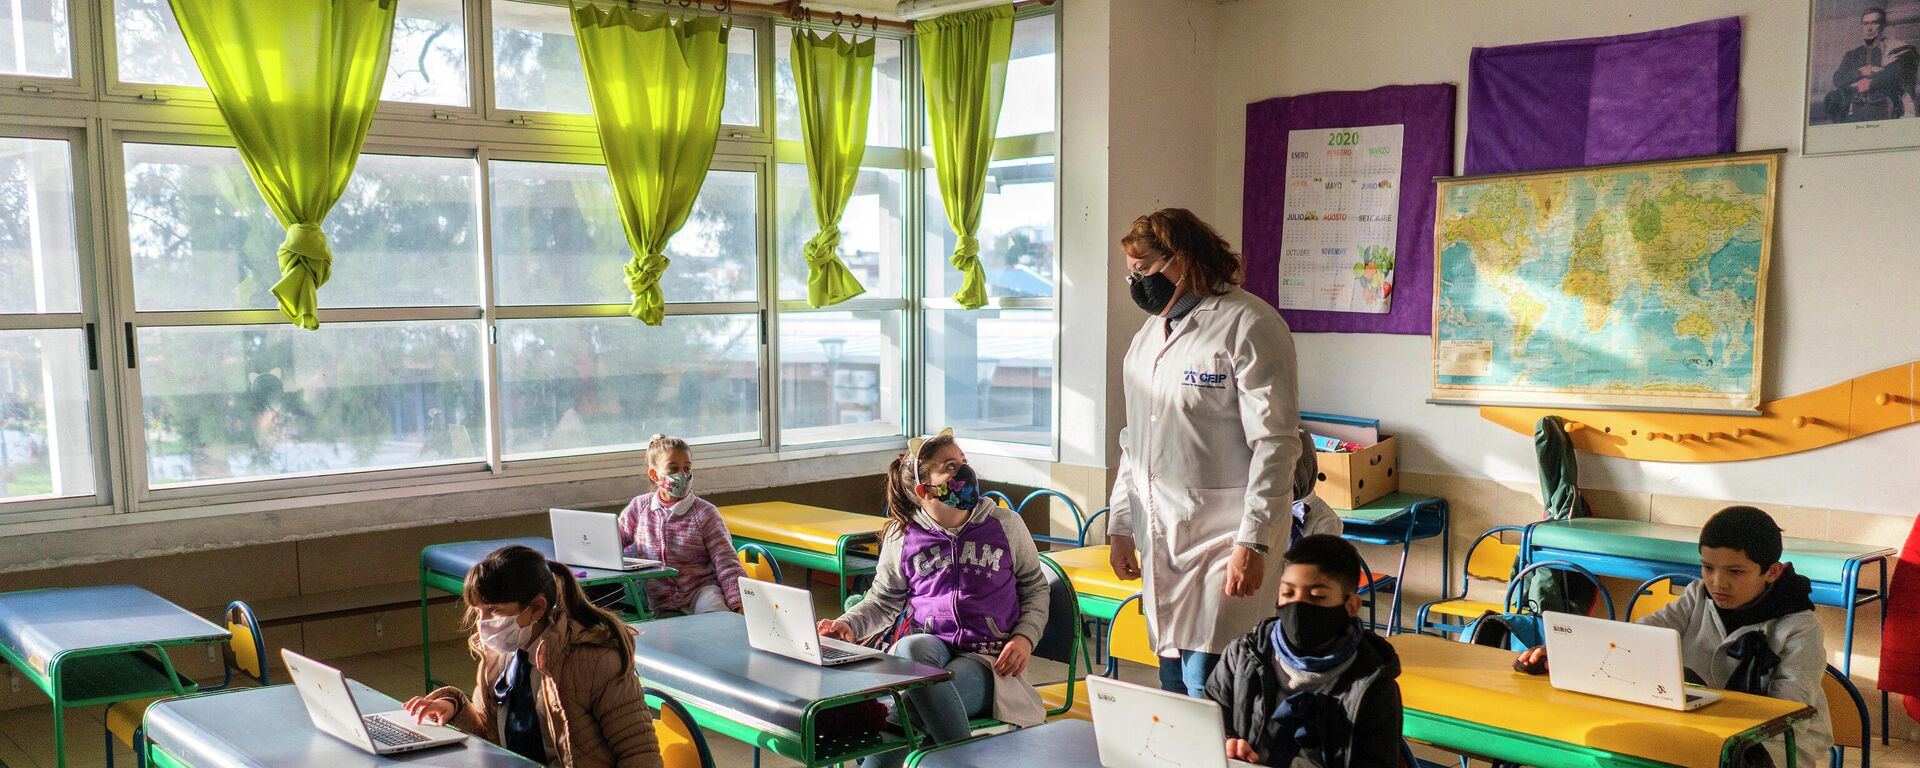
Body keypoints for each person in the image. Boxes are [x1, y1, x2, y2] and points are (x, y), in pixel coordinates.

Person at [1107, 208, 1303, 697]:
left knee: (1210, 682)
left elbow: (1276, 443)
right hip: (1162, 535)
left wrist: (1254, 541)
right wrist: (1119, 527)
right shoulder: (1147, 339)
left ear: (1185, 260)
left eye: (1145, 268)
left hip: (1227, 537)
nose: (1137, 281)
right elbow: (1134, 442)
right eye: (1130, 271)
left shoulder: (1249, 323)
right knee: (1173, 680)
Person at [1516, 506, 1832, 767]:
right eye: (1708, 567)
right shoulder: (1696, 597)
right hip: (1701, 732)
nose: (1718, 582)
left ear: (1772, 572)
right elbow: (1636, 636)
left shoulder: (1800, 628)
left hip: (1773, 748)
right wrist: (1568, 652)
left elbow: (1787, 713)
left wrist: (1708, 715)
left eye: (1735, 572)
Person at [819, 429, 1050, 768]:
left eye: (963, 462)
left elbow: (1035, 587)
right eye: (951, 467)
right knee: (912, 650)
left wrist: (1024, 638)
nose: (965, 472)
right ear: (924, 490)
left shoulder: (1004, 524)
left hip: (990, 659)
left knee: (910, 707)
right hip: (932, 649)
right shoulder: (903, 536)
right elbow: (883, 601)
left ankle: (887, 729)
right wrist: (847, 625)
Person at [403, 545, 662, 768]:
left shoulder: (592, 659)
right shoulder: (498, 656)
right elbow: (491, 734)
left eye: (493, 610)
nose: (482, 624)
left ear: (537, 608)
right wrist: (454, 709)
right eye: (477, 611)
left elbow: (639, 752)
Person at [1204, 535, 1402, 768]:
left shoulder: (1373, 686)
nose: (1298, 607)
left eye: (1317, 597)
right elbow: (1207, 723)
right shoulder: (1242, 656)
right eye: (1288, 594)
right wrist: (1227, 744)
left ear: (1350, 606)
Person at [616, 434, 745, 614]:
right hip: (660, 604)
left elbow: (726, 562)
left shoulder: (705, 513)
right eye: (673, 468)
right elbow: (614, 539)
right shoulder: (639, 508)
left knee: (718, 625)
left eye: (687, 467)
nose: (683, 475)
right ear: (654, 474)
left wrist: (739, 604)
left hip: (701, 592)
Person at [1823, 7, 1918, 123]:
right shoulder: (1852, 55)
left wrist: (1868, 84)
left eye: (1874, 23)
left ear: (1882, 27)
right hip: (1854, 112)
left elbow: (1894, 74)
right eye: (1865, 23)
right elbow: (1838, 79)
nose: (1869, 28)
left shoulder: (1895, 49)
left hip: (1885, 110)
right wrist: (1862, 71)